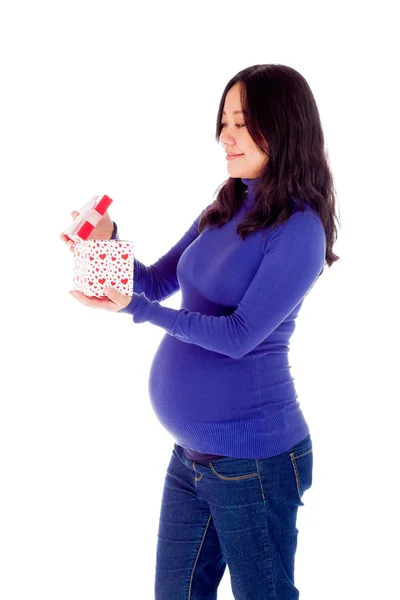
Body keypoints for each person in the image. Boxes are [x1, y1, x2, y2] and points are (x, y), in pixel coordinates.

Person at [61, 63, 340, 599]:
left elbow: (239, 336)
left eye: (241, 122)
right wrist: (105, 243)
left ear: (282, 128)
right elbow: (159, 280)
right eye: (224, 121)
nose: (224, 135)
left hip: (255, 461)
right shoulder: (229, 201)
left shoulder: (300, 229)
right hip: (191, 455)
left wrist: (135, 309)